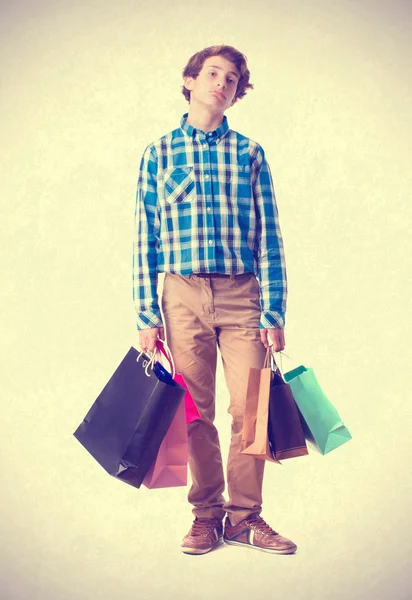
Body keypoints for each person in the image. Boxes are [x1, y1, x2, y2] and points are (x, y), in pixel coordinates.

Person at [133, 44, 297, 556]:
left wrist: (274, 310)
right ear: (190, 80)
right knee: (194, 411)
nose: (220, 84)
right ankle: (205, 515)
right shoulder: (158, 153)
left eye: (231, 79)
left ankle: (246, 518)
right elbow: (146, 237)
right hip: (180, 295)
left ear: (236, 94)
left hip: (241, 294)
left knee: (253, 409)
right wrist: (146, 313)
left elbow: (269, 236)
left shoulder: (250, 153)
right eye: (212, 74)